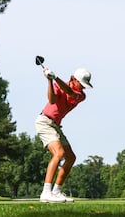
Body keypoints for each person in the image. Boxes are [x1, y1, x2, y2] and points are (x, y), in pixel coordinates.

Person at [35, 67, 93, 203]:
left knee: (70, 158)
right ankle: (46, 192)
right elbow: (52, 100)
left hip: (55, 125)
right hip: (44, 122)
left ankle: (56, 192)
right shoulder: (58, 85)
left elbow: (69, 92)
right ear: (73, 79)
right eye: (82, 84)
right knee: (59, 153)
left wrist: (55, 77)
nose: (83, 88)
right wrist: (49, 81)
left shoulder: (81, 95)